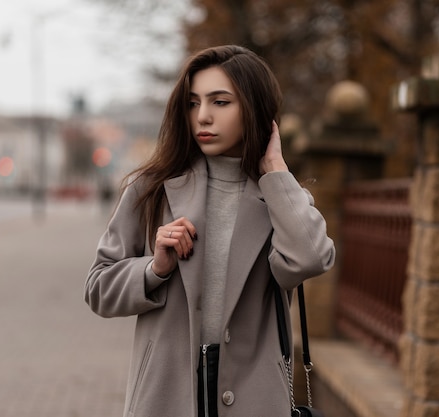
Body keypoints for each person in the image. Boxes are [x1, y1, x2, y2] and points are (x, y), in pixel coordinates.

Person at [84, 44, 335, 417]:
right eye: (192, 102)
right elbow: (98, 289)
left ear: (254, 109)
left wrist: (276, 170)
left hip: (255, 396)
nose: (202, 116)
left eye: (220, 102)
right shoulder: (150, 189)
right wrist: (155, 269)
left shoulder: (282, 199)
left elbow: (311, 259)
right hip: (166, 393)